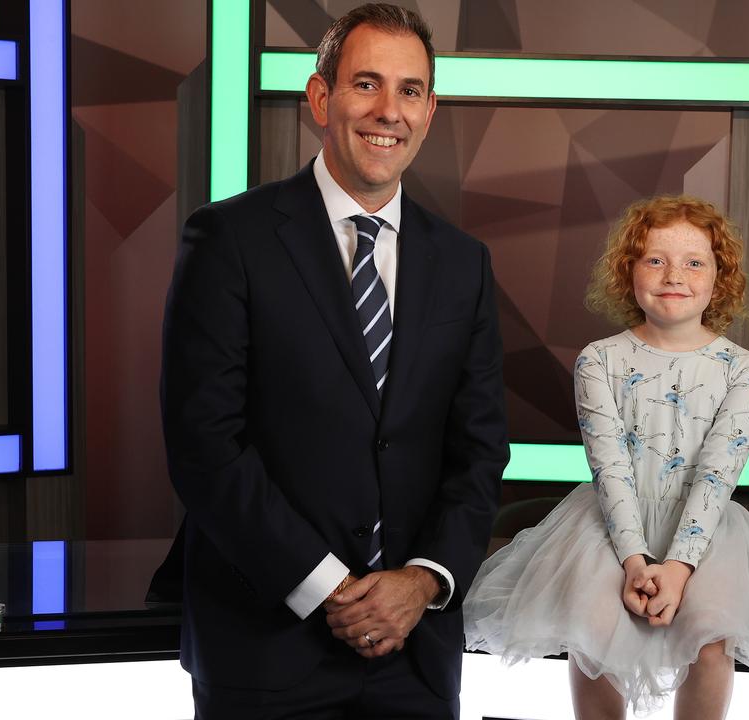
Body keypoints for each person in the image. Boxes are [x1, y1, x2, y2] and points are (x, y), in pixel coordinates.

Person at [160, 4, 509, 718]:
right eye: (366, 84)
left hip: (415, 651)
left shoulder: (464, 264)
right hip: (265, 644)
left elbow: (478, 452)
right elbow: (205, 446)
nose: (390, 111)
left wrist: (423, 582)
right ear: (321, 97)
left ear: (431, 109)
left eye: (411, 90)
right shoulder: (229, 238)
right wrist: (330, 589)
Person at [463, 196, 749, 719]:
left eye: (694, 262)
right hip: (611, 522)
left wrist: (677, 567)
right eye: (655, 259)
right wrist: (635, 560)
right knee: (593, 628)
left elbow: (716, 474)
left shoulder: (744, 369)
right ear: (627, 271)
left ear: (719, 279)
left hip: (703, 529)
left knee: (710, 636)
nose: (673, 274)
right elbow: (608, 465)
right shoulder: (599, 360)